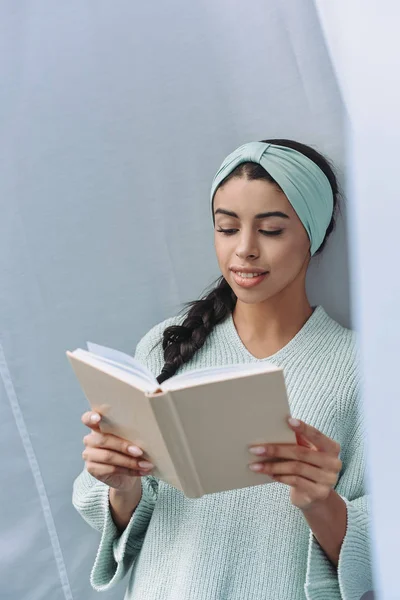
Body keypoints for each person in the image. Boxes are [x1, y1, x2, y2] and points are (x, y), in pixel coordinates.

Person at [72, 139, 373, 599]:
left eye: (271, 230)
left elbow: (381, 549)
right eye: (227, 228)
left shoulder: (362, 371)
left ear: (312, 233)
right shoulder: (165, 345)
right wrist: (121, 485)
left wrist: (320, 502)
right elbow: (130, 514)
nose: (245, 250)